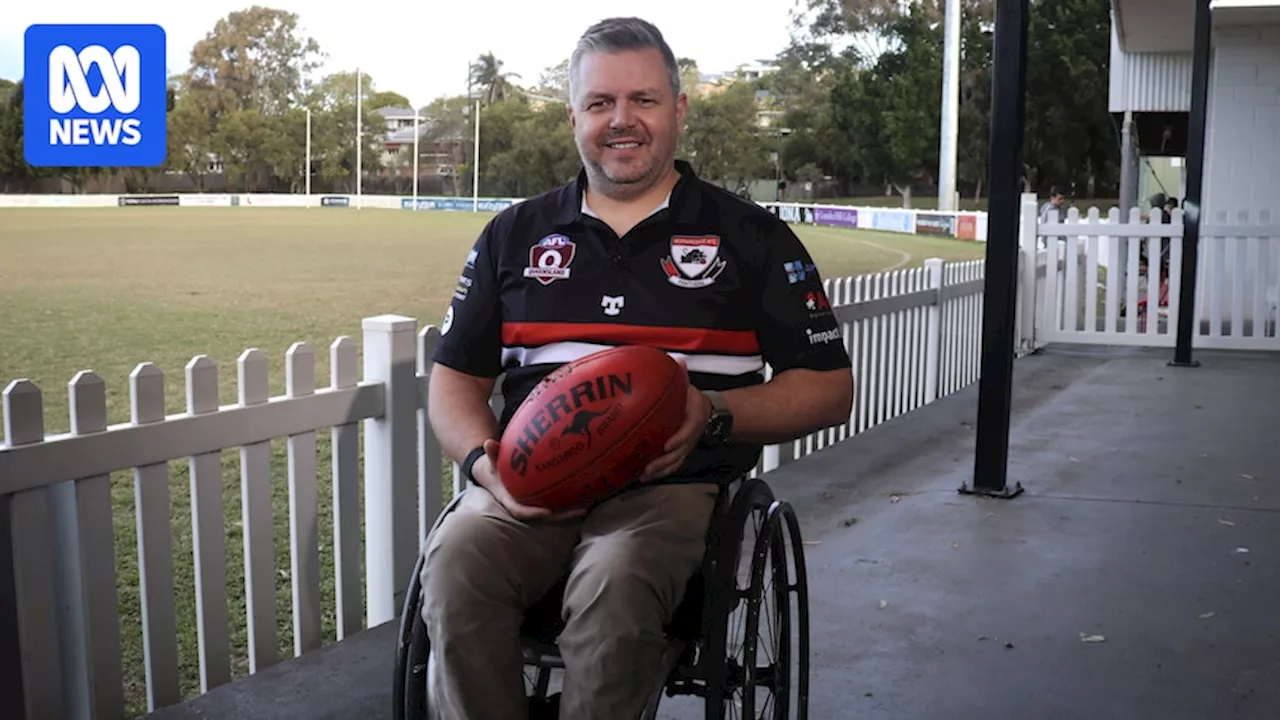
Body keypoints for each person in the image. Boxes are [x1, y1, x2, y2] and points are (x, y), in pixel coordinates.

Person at [422, 16, 854, 720]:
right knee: (455, 566)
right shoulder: (515, 234)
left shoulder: (751, 237)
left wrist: (713, 412)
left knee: (615, 581)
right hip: (531, 484)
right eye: (600, 104)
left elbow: (830, 388)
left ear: (678, 109)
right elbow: (455, 380)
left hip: (669, 490)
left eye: (643, 100)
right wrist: (482, 464)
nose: (621, 121)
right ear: (574, 118)